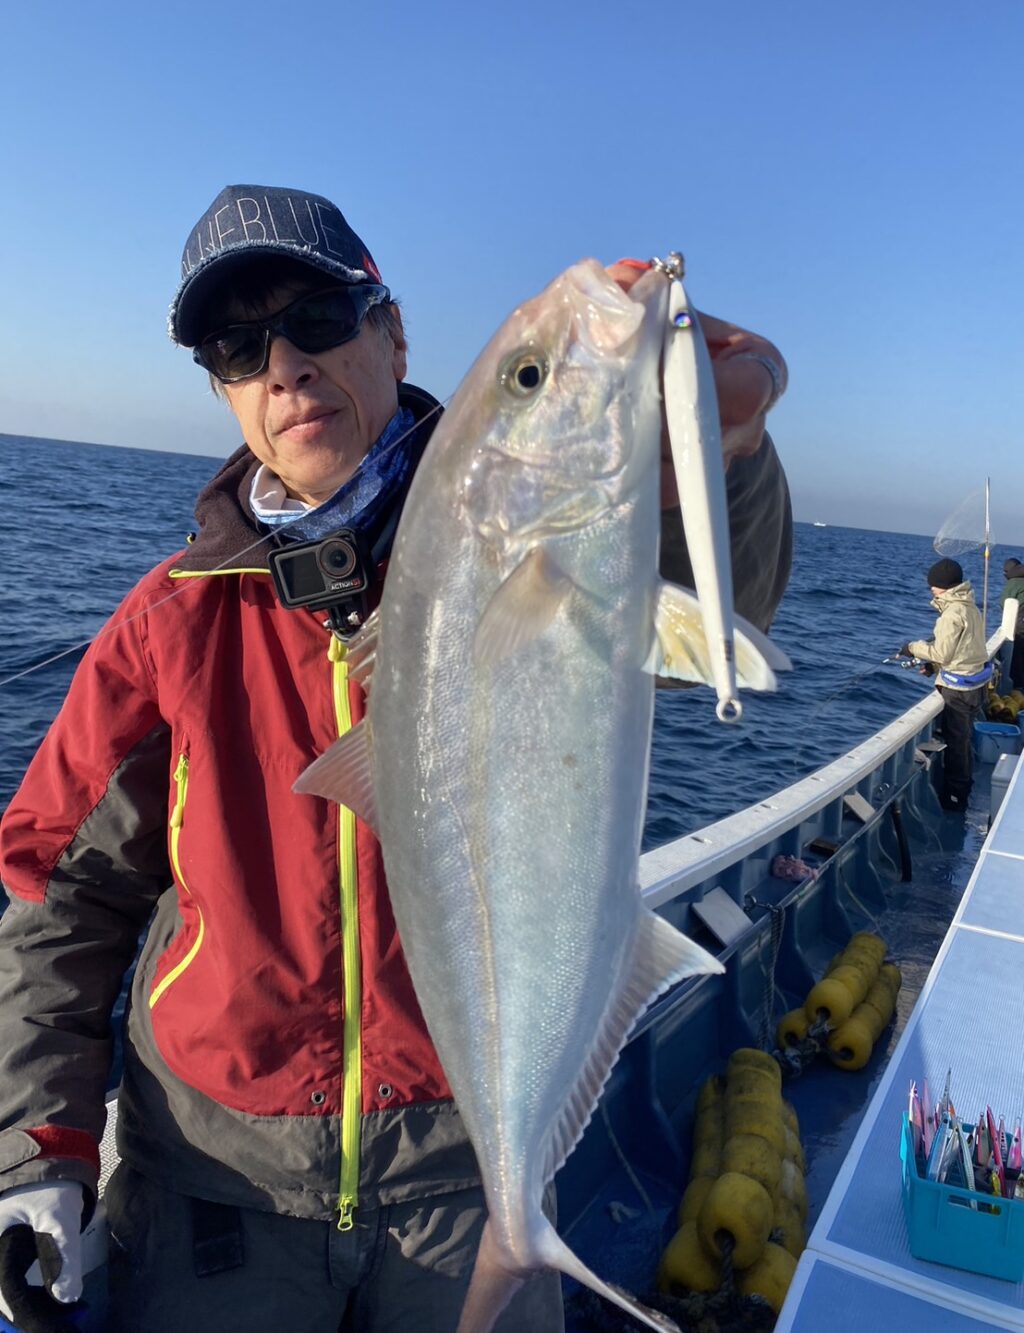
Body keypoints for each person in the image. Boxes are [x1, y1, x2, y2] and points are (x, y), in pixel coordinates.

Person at [0, 184, 792, 1333]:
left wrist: (727, 451)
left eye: (316, 319)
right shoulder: (166, 624)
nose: (284, 367)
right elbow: (61, 898)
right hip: (212, 1190)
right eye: (237, 348)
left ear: (393, 335)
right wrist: (40, 1144)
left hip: (466, 1170)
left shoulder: (526, 528)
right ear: (222, 389)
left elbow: (725, 607)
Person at [900, 557, 990, 812]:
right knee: (964, 739)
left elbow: (941, 652)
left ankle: (956, 796)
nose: (931, 588)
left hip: (958, 692)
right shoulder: (970, 607)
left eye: (934, 584)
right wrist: (934, 667)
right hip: (977, 685)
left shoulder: (951, 614)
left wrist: (911, 648)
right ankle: (963, 787)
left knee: (957, 744)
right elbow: (965, 650)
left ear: (944, 586)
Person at [998, 556, 1024, 690]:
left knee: (1016, 662)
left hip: (1018, 630)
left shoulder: (1013, 583)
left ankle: (1017, 688)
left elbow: (1004, 603)